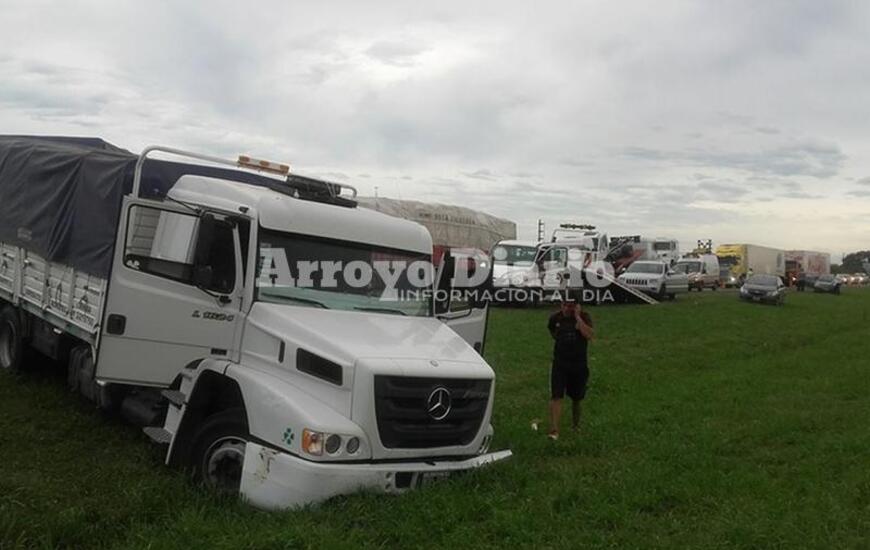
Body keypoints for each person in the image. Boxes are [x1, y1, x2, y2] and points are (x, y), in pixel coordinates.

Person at [546, 294, 594, 440]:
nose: (568, 308)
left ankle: (576, 425)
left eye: (571, 306)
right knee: (556, 396)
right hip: (560, 363)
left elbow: (589, 335)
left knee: (577, 398)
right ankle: (554, 429)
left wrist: (578, 318)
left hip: (579, 364)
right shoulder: (555, 318)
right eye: (565, 305)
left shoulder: (584, 317)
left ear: (577, 306)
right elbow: (553, 332)